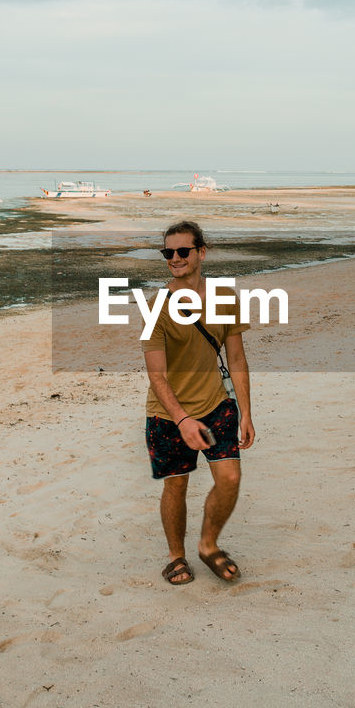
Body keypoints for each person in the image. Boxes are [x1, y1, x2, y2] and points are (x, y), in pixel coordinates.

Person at [143, 220, 255, 585]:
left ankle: (208, 545)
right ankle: (176, 557)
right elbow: (156, 374)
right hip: (168, 413)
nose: (174, 258)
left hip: (217, 405)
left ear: (201, 252)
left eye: (182, 251)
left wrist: (246, 413)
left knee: (231, 478)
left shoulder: (224, 298)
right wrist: (182, 419)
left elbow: (236, 359)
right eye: (168, 252)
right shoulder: (155, 306)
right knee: (176, 485)